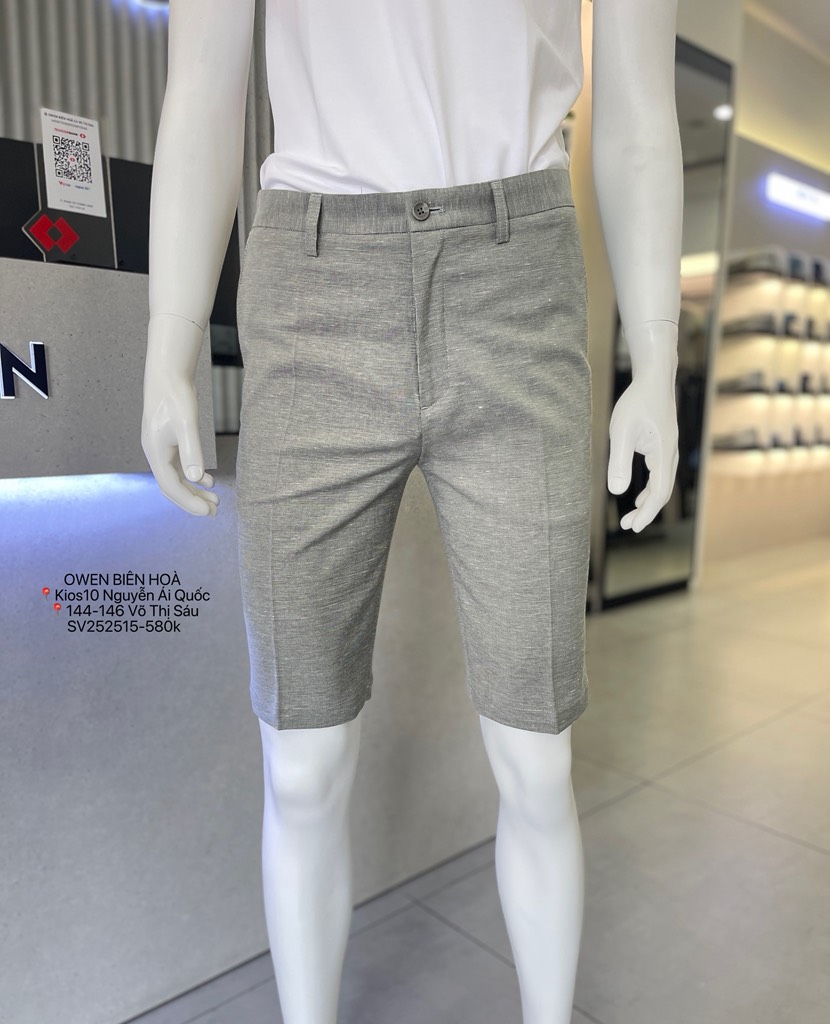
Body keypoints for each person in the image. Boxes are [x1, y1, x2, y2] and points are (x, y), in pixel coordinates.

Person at [141, 1, 682, 1021]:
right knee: (299, 760)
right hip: (313, 286)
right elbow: (202, 86)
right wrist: (168, 341)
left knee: (537, 753)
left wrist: (655, 355)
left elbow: (639, 111)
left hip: (516, 280)